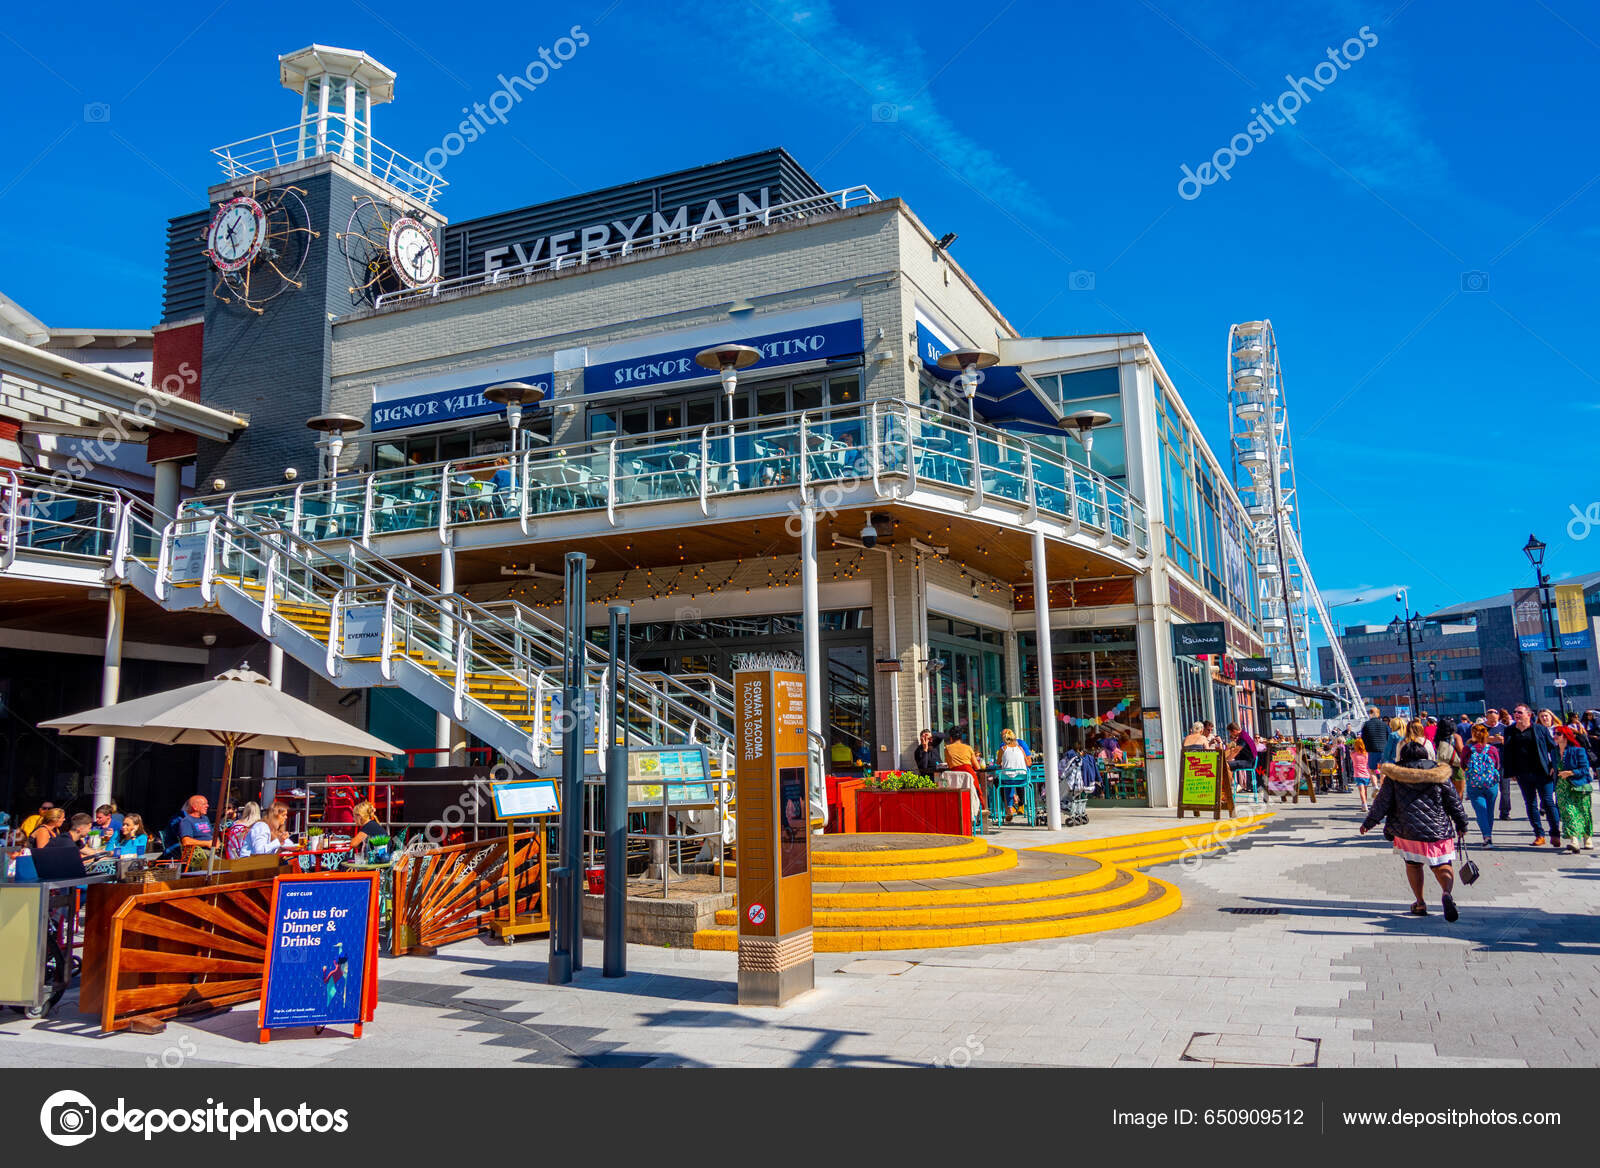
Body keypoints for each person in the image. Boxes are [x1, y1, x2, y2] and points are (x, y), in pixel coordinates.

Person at [1361, 737, 1469, 920]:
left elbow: (1382, 803)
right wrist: (1462, 823)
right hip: (1438, 828)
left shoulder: (1396, 776)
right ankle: (1446, 894)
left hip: (1407, 830)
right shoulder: (1439, 773)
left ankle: (1420, 903)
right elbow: (1454, 802)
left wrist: (1369, 823)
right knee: (1442, 864)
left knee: (1413, 865)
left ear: (1402, 756)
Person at [1502, 703, 1560, 848]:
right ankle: (1539, 834)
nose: (1516, 714)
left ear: (1529, 714)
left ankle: (1555, 833)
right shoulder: (1510, 730)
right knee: (1530, 803)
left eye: (1520, 712)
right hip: (1523, 773)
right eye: (1515, 712)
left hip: (1543, 772)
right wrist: (1511, 771)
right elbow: (1508, 752)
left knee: (1548, 801)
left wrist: (1554, 765)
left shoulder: (1539, 729)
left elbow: (1553, 747)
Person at [1554, 725, 1593, 852]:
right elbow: (1554, 765)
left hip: (1578, 785)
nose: (1555, 736)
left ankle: (1587, 837)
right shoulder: (1554, 752)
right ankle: (1574, 840)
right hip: (1562, 787)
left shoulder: (1578, 750)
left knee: (1583, 812)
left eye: (1558, 734)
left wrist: (1570, 773)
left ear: (1565, 736)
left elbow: (1584, 769)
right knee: (1568, 813)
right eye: (1554, 733)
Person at [1462, 725, 1502, 847]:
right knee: (1489, 811)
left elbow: (1463, 765)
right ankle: (1488, 835)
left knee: (1480, 811)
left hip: (1474, 784)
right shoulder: (1492, 749)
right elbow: (1497, 765)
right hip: (1491, 784)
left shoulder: (1468, 749)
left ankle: (1486, 837)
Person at [1433, 714, 1465, 801]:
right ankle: (1457, 810)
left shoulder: (1437, 738)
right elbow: (1462, 751)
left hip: (1442, 766)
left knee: (1445, 792)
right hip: (1456, 767)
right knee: (1459, 792)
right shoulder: (1456, 737)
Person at [1226, 722, 1258, 795]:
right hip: (1250, 760)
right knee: (1226, 765)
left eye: (1230, 732)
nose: (1230, 735)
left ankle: (1235, 785)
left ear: (1234, 730)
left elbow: (1236, 751)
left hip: (1249, 762)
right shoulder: (1244, 734)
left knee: (1225, 765)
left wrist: (1226, 760)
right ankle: (1234, 785)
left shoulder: (1242, 738)